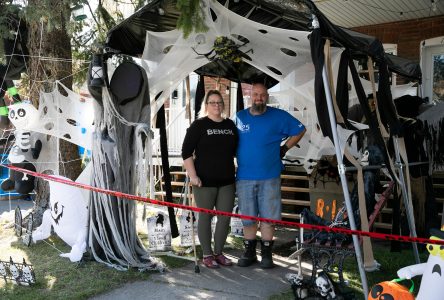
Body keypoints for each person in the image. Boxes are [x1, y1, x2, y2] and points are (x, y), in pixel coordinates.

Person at [235, 83, 306, 268]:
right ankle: (249, 253)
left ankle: (267, 254)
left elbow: (300, 130)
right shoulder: (239, 117)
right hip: (244, 176)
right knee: (248, 218)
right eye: (255, 94)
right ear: (250, 95)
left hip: (270, 176)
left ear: (267, 97)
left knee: (268, 217)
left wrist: (284, 148)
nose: (259, 98)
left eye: (263, 95)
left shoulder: (278, 116)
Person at [182, 90, 238, 269]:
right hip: (203, 182)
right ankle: (207, 254)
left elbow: (237, 150)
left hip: (227, 181)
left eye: (219, 102)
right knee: (205, 217)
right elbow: (186, 152)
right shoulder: (199, 125)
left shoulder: (230, 125)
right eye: (212, 102)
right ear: (206, 105)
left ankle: (219, 253)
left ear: (223, 104)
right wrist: (193, 176)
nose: (216, 105)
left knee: (224, 218)